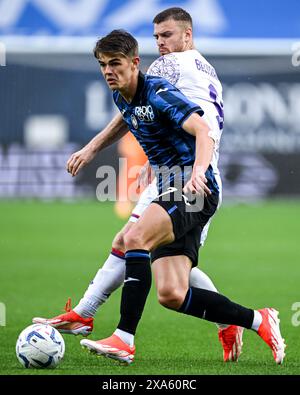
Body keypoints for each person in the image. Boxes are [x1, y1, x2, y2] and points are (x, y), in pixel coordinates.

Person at [33, 8, 243, 363]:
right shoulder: (204, 68)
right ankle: (85, 314)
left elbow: (164, 107)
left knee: (146, 250)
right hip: (175, 172)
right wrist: (92, 148)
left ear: (187, 36)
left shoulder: (167, 68)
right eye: (157, 36)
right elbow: (134, 109)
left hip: (192, 175)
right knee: (153, 258)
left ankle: (121, 333)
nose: (161, 43)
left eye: (168, 36)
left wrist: (194, 170)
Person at [69, 29, 285, 366]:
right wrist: (99, 150)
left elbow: (202, 130)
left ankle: (123, 338)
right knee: (172, 294)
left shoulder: (159, 89)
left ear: (135, 63)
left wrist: (199, 171)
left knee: (133, 237)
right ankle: (259, 319)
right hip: (171, 183)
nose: (108, 71)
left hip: (191, 187)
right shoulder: (122, 96)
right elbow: (136, 124)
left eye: (115, 64)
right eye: (102, 65)